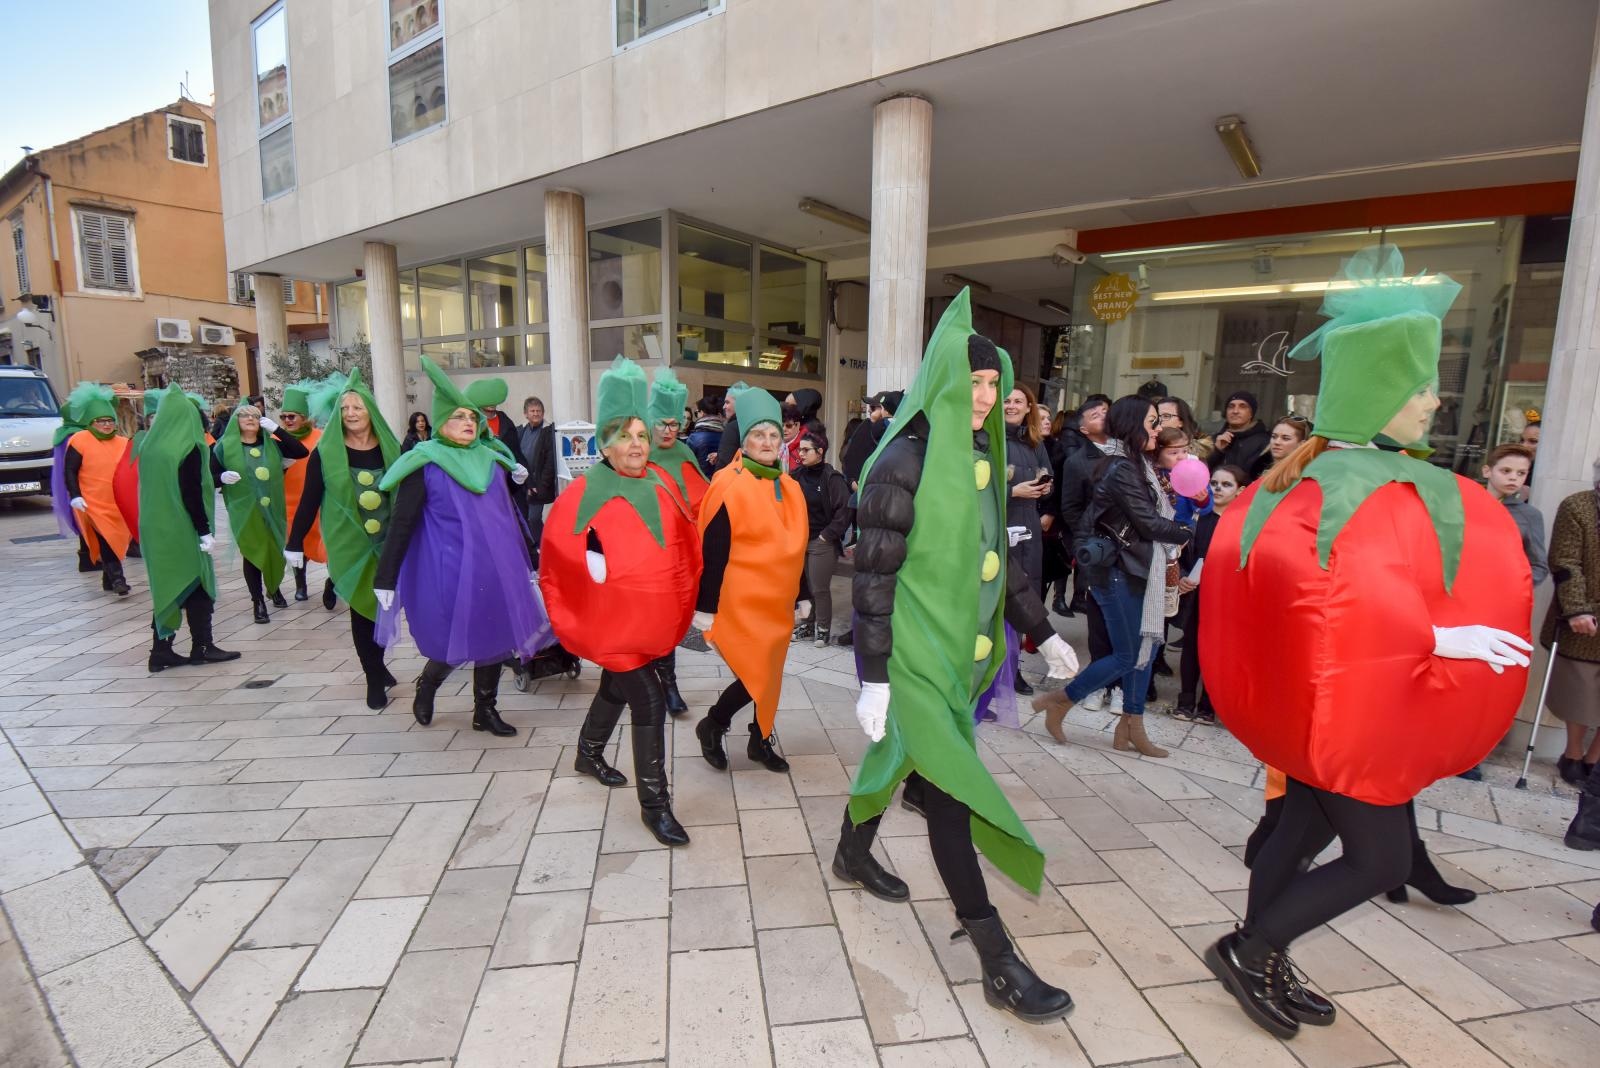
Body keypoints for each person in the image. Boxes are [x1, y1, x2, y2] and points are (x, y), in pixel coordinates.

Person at [1200, 246, 1532, 1041]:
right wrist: (1444, 637)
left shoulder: (1312, 482)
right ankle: (1251, 949)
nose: (1434, 401)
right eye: (1419, 388)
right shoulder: (1328, 488)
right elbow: (1330, 605)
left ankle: (1263, 956)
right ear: (1379, 393)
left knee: (1299, 832)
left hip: (1329, 711)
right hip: (1350, 712)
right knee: (1381, 861)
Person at [839, 291, 1080, 1023]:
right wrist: (876, 678)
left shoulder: (985, 455)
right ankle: (996, 959)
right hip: (911, 655)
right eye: (974, 381)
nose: (986, 397)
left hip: (956, 660)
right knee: (950, 791)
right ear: (942, 380)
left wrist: (1043, 630)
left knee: (904, 758)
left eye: (994, 384)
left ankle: (852, 850)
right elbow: (872, 578)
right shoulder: (902, 459)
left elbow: (997, 568)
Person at [542, 359, 700, 845]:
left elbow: (683, 545)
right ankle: (656, 806)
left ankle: (588, 751)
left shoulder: (662, 482)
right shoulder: (586, 492)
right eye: (626, 436)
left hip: (647, 621)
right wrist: (594, 578)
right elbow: (559, 555)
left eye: (641, 435)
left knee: (617, 684)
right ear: (605, 445)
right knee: (648, 699)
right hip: (611, 622)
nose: (636, 445)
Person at [374, 358, 545, 737]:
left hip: (495, 566)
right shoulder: (424, 463)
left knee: (496, 638)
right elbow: (401, 523)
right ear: (440, 425)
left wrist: (529, 557)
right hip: (447, 568)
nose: (469, 423)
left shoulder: (492, 459)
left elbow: (509, 514)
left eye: (472, 417)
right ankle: (429, 683)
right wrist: (385, 578)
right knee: (456, 641)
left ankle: (485, 710)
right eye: (458, 417)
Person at [1034, 396, 1190, 756]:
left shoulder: (1139, 465)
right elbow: (1148, 523)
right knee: (1128, 654)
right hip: (1117, 570)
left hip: (1136, 567)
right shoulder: (1122, 468)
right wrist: (1188, 531)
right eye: (1152, 422)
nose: (1157, 428)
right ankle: (1061, 700)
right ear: (1134, 426)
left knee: (1145, 652)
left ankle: (1130, 726)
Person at [692, 386, 811, 774]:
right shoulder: (729, 482)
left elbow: (799, 544)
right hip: (740, 600)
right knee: (753, 673)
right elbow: (714, 550)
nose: (767, 441)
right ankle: (713, 724)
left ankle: (760, 740)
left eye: (774, 435)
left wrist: (804, 593)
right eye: (759, 434)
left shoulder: (790, 487)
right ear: (744, 439)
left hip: (777, 601)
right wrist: (705, 608)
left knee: (770, 672)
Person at [286, 370, 403, 710]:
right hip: (347, 542)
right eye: (345, 408)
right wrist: (294, 542)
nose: (351, 413)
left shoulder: (391, 448)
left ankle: (378, 665)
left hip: (387, 539)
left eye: (358, 407)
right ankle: (373, 678)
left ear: (371, 412)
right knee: (360, 609)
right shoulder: (326, 452)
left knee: (382, 608)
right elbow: (309, 499)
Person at [139, 388, 240, 672]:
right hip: (182, 526)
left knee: (169, 586)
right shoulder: (189, 446)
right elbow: (191, 492)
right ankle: (203, 646)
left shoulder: (150, 446)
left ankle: (161, 650)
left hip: (155, 526)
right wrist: (204, 530)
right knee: (198, 584)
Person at [643, 366, 708, 715]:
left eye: (675, 423)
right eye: (662, 423)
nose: (669, 430)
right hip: (641, 556)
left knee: (668, 621)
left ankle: (668, 686)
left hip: (675, 557)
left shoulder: (684, 453)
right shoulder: (637, 456)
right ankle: (644, 684)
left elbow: (702, 498)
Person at [212, 404, 309, 624]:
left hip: (273, 508)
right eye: (244, 415)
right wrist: (221, 477)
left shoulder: (272, 445)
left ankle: (273, 588)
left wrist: (278, 430)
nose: (250, 419)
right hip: (244, 510)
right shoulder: (223, 447)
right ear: (235, 421)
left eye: (255, 415)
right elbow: (209, 476)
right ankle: (258, 601)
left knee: (274, 550)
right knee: (253, 551)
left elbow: (301, 452)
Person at [1173, 464, 1245, 724]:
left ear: (1241, 491)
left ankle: (1208, 706)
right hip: (1194, 592)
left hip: (1225, 596)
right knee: (1191, 644)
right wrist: (1180, 576)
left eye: (1227, 484)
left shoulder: (1242, 524)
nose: (1218, 488)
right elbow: (1177, 551)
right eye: (1214, 483)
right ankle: (1185, 701)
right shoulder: (1196, 517)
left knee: (1217, 650)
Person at [1544, 460, 1600, 787]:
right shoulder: (1577, 507)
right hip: (1583, 614)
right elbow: (1565, 562)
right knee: (1580, 689)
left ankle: (1594, 760)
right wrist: (1577, 608)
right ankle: (1574, 753)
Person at [1001, 383, 1054, 695]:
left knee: (1023, 600)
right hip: (1000, 524)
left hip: (1028, 527)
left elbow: (1049, 474)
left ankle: (1013, 669)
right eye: (1006, 400)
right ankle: (991, 670)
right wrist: (1012, 491)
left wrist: (1046, 487)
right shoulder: (987, 437)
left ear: (1028, 407)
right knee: (996, 602)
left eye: (1018, 401)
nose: (1012, 405)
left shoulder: (1034, 441)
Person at [62, 383, 134, 597]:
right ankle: (118, 579)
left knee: (116, 538)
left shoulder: (122, 442)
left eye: (110, 420)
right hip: (93, 501)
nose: (106, 425)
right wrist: (75, 495)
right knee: (106, 538)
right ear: (92, 422)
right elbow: (70, 470)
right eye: (101, 421)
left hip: (118, 502)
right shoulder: (79, 440)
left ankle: (107, 578)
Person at [793, 430, 852, 647]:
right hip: (801, 539)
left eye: (806, 449)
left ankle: (823, 629)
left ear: (820, 452)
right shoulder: (796, 475)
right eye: (800, 449)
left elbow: (844, 510)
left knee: (819, 587)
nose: (801, 453)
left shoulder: (831, 477)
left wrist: (827, 536)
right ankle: (808, 625)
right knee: (806, 587)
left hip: (821, 541)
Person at [278, 379, 327, 603]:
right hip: (287, 502)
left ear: (304, 418)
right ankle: (301, 584)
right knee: (297, 543)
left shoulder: (319, 437)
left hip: (316, 500)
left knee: (324, 542)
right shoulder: (275, 439)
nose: (287, 420)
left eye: (292, 416)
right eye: (283, 416)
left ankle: (334, 581)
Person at [517, 395, 558, 568]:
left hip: (539, 485)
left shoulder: (548, 431)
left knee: (534, 518)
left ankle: (544, 549)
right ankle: (533, 550)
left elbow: (550, 462)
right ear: (525, 413)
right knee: (524, 518)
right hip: (522, 483)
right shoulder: (521, 431)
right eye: (532, 411)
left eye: (539, 411)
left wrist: (541, 486)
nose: (536, 414)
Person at [842, 390, 902, 490]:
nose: (869, 410)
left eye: (873, 407)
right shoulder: (866, 426)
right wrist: (852, 481)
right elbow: (849, 458)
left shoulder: (896, 430)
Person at [1208, 390, 1271, 479]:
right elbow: (1202, 472)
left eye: (1242, 406)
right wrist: (1217, 451)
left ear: (1251, 413)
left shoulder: (1264, 441)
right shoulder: (1215, 439)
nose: (1235, 411)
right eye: (1231, 406)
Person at [1251, 416, 1310, 481]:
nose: (1277, 442)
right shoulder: (1265, 471)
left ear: (1302, 444)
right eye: (1274, 437)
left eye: (1285, 438)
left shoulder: (1305, 477)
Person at [1157, 396, 1214, 461]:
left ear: (1181, 422)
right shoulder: (1149, 445)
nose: (1159, 420)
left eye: (1166, 416)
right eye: (1156, 416)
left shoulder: (1194, 457)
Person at [711, 382, 751, 472]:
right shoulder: (754, 425)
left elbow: (724, 464)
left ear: (740, 403)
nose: (724, 407)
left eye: (727, 402)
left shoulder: (733, 427)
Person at [685, 395, 725, 474]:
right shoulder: (726, 435)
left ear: (702, 413)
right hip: (721, 482)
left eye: (696, 413)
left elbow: (687, 465)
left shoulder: (694, 438)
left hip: (700, 482)